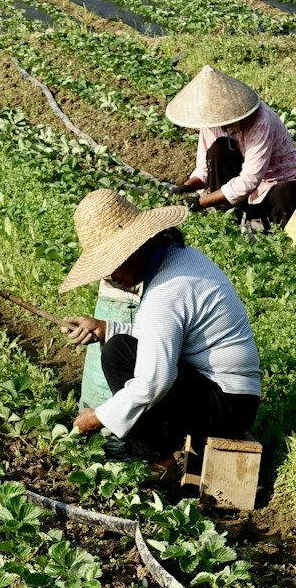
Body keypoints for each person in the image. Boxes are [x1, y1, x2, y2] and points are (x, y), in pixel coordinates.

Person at [56, 190, 262, 464]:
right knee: (120, 346)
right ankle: (163, 447)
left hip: (227, 405)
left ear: (131, 254)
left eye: (110, 269)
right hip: (231, 395)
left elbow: (153, 383)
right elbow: (160, 340)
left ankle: (157, 461)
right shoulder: (179, 261)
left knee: (119, 354)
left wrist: (96, 417)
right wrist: (106, 328)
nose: (112, 279)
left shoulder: (167, 290)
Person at [167, 65, 296, 230]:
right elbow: (204, 170)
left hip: (277, 181)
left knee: (287, 193)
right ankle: (230, 220)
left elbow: (250, 179)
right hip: (241, 188)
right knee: (218, 150)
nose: (221, 126)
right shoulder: (211, 121)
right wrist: (186, 187)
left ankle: (282, 239)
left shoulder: (261, 121)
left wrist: (200, 203)